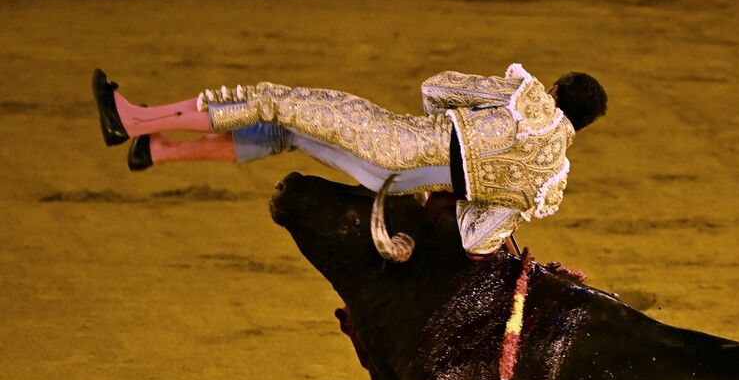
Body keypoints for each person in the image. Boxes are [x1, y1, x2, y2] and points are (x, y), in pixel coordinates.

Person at [92, 65, 607, 255]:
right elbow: (477, 237)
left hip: (386, 139)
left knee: (273, 100)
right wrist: (462, 183)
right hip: (396, 183)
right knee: (287, 132)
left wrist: (457, 120)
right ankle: (158, 152)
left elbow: (437, 87)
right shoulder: (549, 181)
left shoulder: (528, 103)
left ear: (556, 89)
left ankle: (135, 122)